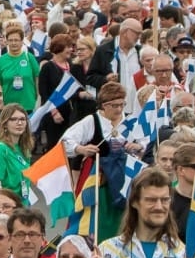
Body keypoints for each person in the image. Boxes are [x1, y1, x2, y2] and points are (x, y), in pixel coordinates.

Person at [61, 81, 148, 239]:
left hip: (125, 180)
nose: (119, 109)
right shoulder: (91, 121)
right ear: (103, 105)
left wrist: (137, 146)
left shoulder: (129, 122)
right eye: (114, 105)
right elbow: (65, 141)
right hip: (98, 181)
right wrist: (81, 149)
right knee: (93, 219)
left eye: (122, 104)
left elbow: (144, 143)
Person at [0, 103, 33, 203]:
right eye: (13, 119)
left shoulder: (24, 148)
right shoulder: (0, 149)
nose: (19, 123)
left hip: (23, 206)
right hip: (6, 208)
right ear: (5, 124)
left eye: (22, 119)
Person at [0, 21, 41, 112]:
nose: (13, 43)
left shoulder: (29, 57)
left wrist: (38, 99)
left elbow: (37, 79)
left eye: (16, 40)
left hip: (29, 106)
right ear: (6, 41)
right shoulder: (1, 60)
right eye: (10, 40)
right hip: (7, 107)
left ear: (22, 41)